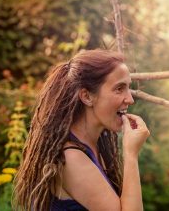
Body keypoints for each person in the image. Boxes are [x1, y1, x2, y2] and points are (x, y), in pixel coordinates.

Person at [13, 49, 150, 211]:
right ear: (87, 96)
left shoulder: (94, 145)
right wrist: (131, 154)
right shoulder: (71, 159)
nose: (130, 99)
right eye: (119, 89)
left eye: (128, 88)